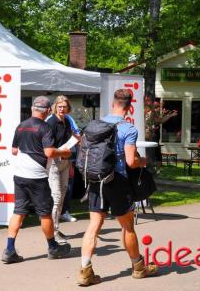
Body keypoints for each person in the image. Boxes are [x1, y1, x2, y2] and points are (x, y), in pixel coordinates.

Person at [78, 89, 158, 286]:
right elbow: (131, 161)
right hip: (118, 182)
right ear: (129, 108)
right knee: (127, 226)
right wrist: (144, 161)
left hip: (96, 180)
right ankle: (138, 267)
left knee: (94, 226)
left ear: (113, 104)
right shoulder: (128, 129)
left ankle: (85, 271)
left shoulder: (95, 125)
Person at [2, 96, 72, 264]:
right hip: (37, 176)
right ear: (48, 110)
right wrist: (64, 152)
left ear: (32, 109)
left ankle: (9, 250)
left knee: (18, 212)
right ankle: (53, 247)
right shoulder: (45, 127)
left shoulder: (21, 126)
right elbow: (48, 153)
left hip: (20, 174)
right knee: (45, 213)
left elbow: (13, 150)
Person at [46, 95, 77, 243]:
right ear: (55, 107)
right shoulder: (51, 122)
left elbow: (69, 143)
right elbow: (48, 147)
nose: (62, 109)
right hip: (53, 162)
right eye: (59, 106)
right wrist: (62, 152)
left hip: (65, 162)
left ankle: (56, 228)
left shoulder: (67, 121)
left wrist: (70, 163)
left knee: (62, 196)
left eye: (64, 106)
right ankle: (53, 232)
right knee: (57, 197)